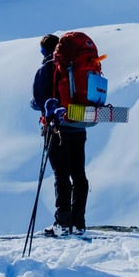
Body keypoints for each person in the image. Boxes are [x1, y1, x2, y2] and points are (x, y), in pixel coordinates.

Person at [30, 34, 89, 236]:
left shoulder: (46, 69)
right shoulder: (75, 67)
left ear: (45, 51)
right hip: (79, 126)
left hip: (56, 128)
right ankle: (78, 223)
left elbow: (38, 100)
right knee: (79, 175)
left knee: (61, 174)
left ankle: (62, 223)